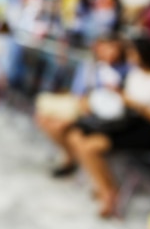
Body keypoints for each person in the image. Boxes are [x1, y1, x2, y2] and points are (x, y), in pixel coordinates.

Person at [68, 37, 150, 217]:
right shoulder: (135, 74)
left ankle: (108, 192)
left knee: (89, 147)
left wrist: (136, 104)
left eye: (132, 53)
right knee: (75, 135)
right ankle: (104, 186)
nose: (128, 57)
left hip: (145, 130)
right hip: (124, 122)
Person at [36, 37, 128, 178]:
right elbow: (78, 91)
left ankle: (70, 159)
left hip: (102, 115)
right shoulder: (90, 66)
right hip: (82, 106)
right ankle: (70, 155)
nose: (106, 52)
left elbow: (118, 102)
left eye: (111, 48)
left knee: (61, 126)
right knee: (43, 119)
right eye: (103, 47)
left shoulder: (124, 70)